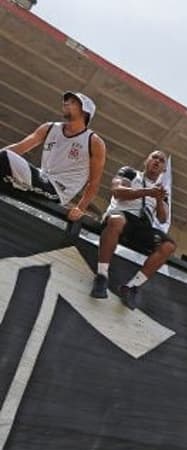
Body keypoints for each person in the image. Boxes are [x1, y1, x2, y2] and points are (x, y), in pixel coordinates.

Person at [0, 91, 106, 221]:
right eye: (66, 101)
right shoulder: (49, 128)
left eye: (72, 102)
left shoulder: (94, 142)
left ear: (85, 112)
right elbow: (19, 148)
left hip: (57, 191)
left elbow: (94, 182)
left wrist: (80, 208)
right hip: (40, 179)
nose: (65, 103)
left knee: (5, 157)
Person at [89, 150, 175, 309]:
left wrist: (158, 198)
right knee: (116, 221)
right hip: (122, 215)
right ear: (146, 161)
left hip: (143, 227)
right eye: (154, 157)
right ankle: (101, 275)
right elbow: (118, 192)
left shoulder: (162, 192)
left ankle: (132, 287)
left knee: (168, 246)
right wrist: (148, 192)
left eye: (161, 160)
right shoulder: (129, 173)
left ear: (163, 169)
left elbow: (163, 218)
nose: (157, 161)